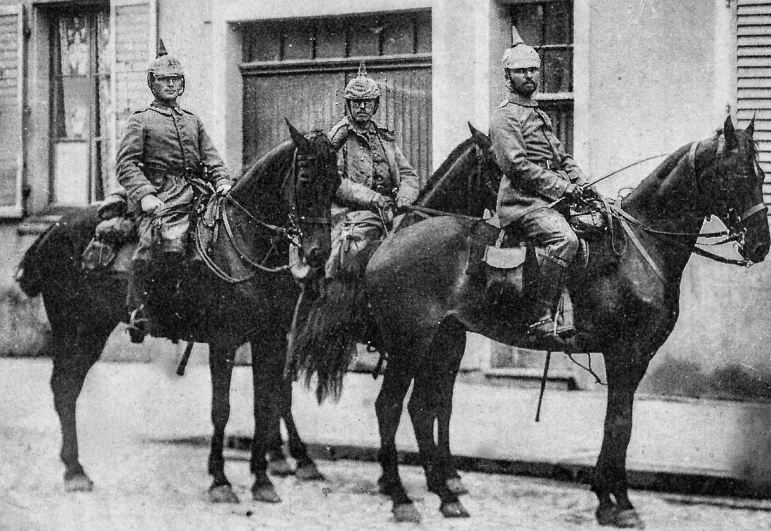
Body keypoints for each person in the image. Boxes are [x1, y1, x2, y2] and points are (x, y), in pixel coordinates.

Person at [117, 41, 233, 341]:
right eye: (164, 80)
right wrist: (144, 195)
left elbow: (212, 159)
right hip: (160, 195)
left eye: (175, 80)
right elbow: (126, 165)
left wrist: (222, 180)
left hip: (195, 192)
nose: (171, 85)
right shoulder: (140, 120)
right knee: (163, 241)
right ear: (152, 83)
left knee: (217, 234)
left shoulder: (192, 121)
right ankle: (140, 310)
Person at [489, 38, 593, 341]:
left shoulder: (538, 113)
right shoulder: (505, 116)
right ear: (508, 78)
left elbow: (561, 156)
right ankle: (541, 316)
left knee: (597, 224)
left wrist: (581, 182)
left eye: (534, 70)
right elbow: (517, 166)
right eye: (521, 71)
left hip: (550, 199)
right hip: (522, 204)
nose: (530, 76)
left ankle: (574, 313)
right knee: (565, 239)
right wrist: (561, 185)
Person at [325, 62, 420, 278]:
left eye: (367, 102)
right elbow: (335, 181)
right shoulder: (337, 138)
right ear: (348, 105)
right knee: (351, 253)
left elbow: (408, 175)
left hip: (389, 211)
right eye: (357, 103)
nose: (362, 107)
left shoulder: (385, 138)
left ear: (375, 105)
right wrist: (373, 198)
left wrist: (404, 198)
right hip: (349, 214)